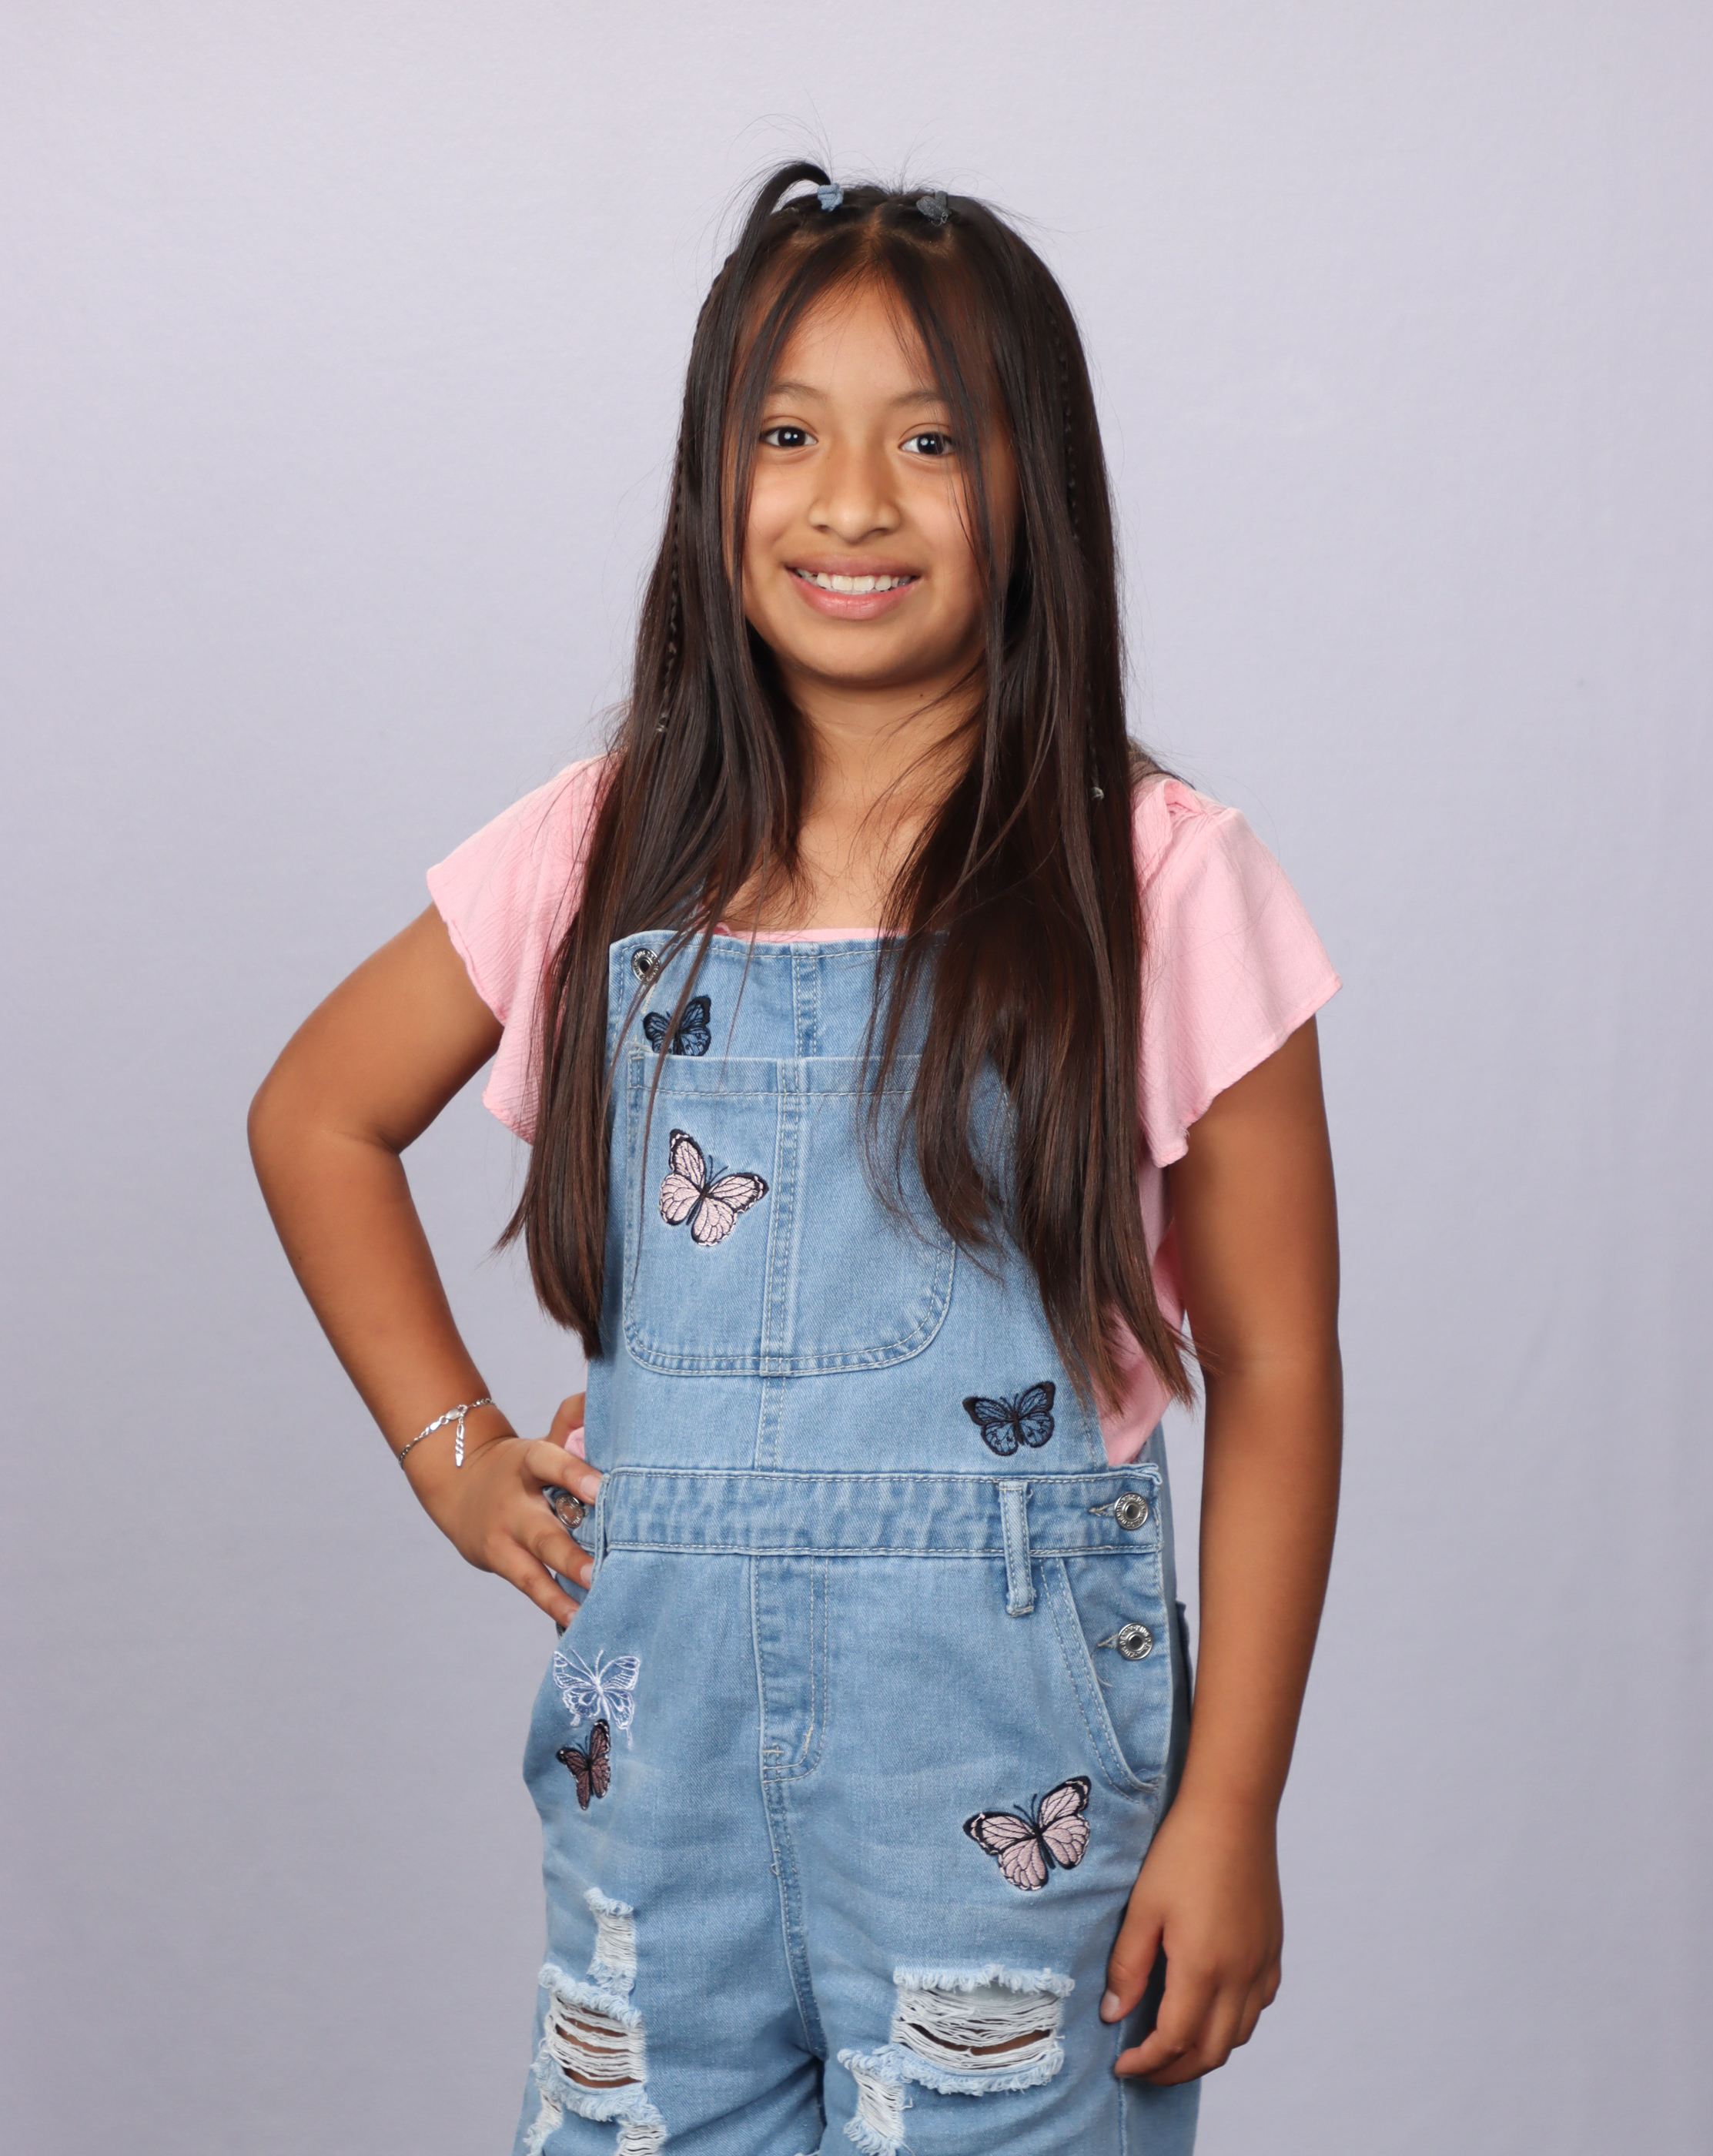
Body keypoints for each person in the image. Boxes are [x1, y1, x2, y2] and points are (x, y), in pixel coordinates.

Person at [249, 164, 1343, 2156]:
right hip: (655, 1783)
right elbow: (316, 1113)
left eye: (932, 441)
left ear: (1036, 491)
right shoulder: (604, 852)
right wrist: (456, 1454)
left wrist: (1235, 1804)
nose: (852, 502)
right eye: (788, 436)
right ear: (713, 481)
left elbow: (1275, 1362)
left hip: (1007, 1781)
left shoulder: (1155, 881)